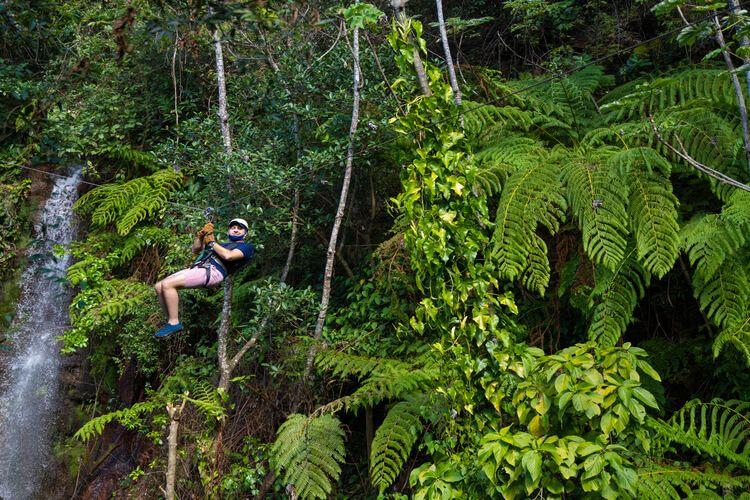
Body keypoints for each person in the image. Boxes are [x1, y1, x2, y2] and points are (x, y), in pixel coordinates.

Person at [154, 218, 255, 338]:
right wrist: (200, 236)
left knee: (168, 285)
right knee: (159, 286)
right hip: (200, 268)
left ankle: (174, 322)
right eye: (233, 228)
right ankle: (171, 321)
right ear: (228, 231)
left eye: (240, 228)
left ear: (245, 233)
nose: (236, 230)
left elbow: (228, 256)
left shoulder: (247, 247)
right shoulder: (222, 245)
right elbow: (196, 250)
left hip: (214, 271)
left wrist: (212, 242)